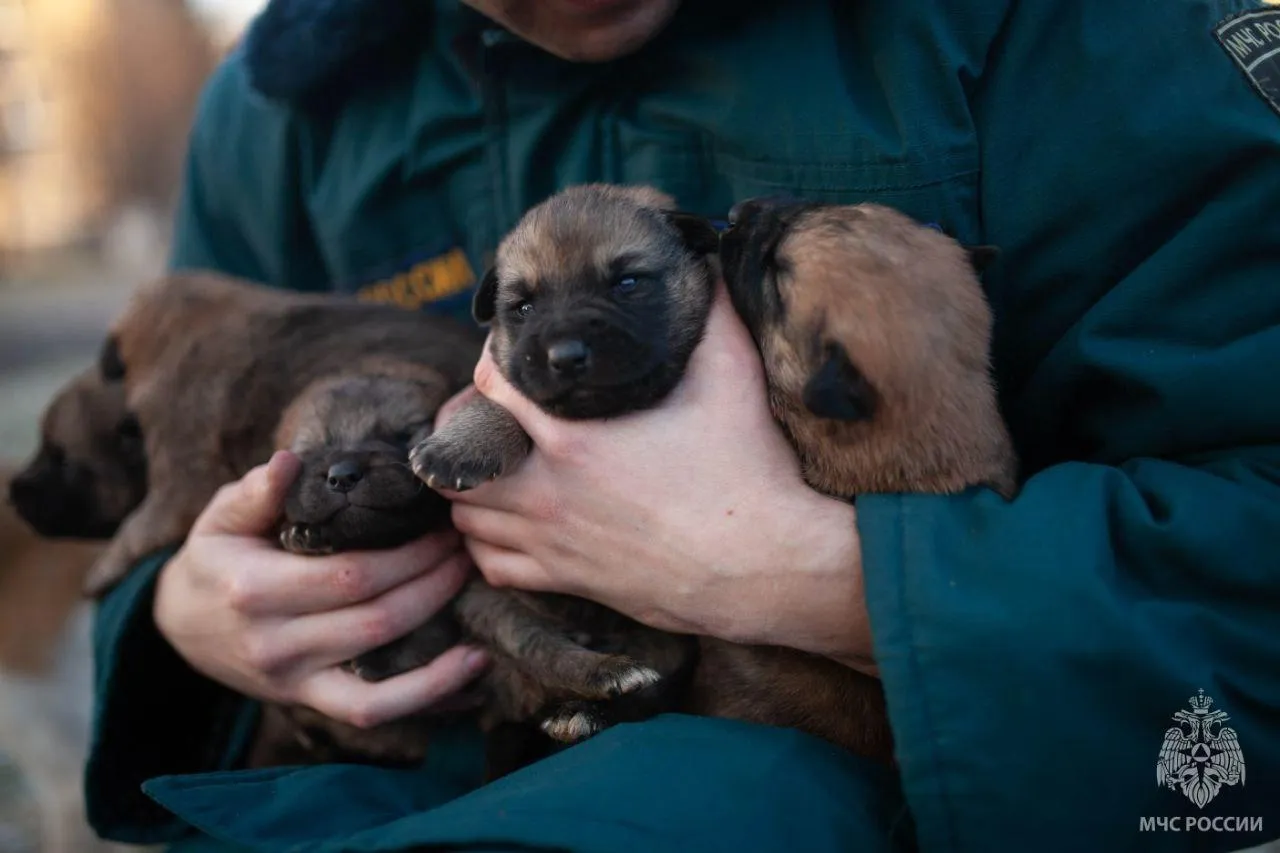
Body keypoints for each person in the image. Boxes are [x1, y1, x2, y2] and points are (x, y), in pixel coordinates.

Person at [84, 1, 1280, 851]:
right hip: (389, 792)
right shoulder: (283, 106)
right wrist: (186, 621)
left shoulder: (1057, 28)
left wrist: (821, 581)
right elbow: (151, 474)